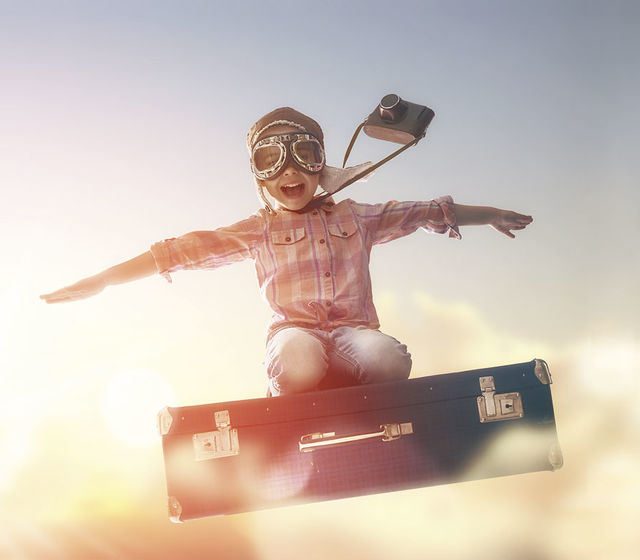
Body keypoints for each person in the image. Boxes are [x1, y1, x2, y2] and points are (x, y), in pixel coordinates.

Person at [41, 107, 533, 396]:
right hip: (295, 338)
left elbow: (427, 211)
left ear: (320, 165)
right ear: (258, 175)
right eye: (271, 161)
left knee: (386, 358)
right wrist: (103, 279)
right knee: (298, 355)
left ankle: (349, 390)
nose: (289, 172)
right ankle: (299, 390)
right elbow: (178, 253)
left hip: (353, 337)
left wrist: (490, 213)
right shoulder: (257, 230)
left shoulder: (355, 218)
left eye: (305, 157)